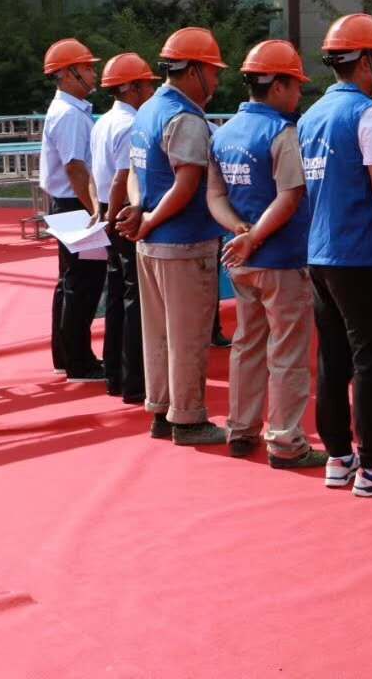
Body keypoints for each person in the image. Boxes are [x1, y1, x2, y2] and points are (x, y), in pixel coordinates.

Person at [298, 13, 372, 495]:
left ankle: (339, 457)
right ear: (366, 62)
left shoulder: (310, 116)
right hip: (364, 257)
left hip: (321, 256)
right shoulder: (367, 115)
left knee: (333, 359)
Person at [207, 40, 328, 470]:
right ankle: (286, 441)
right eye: (295, 85)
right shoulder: (282, 133)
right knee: (288, 352)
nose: (299, 94)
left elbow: (215, 196)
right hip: (281, 260)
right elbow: (290, 196)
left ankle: (241, 428)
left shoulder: (223, 133)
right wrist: (254, 236)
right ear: (277, 85)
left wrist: (239, 233)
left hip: (243, 261)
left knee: (247, 344)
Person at [115, 27, 228, 446]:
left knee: (159, 334)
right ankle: (189, 419)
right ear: (194, 70)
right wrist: (147, 219)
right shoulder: (186, 119)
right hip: (184, 243)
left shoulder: (147, 110)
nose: (217, 80)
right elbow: (186, 183)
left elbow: (135, 170)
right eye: (213, 71)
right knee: (189, 336)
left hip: (151, 244)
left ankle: (162, 410)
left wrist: (139, 211)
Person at [89, 52, 159, 402]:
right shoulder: (132, 124)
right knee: (134, 300)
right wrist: (114, 217)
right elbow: (122, 177)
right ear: (131, 87)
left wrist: (100, 212)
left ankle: (114, 375)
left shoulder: (102, 122)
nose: (151, 91)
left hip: (109, 209)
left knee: (117, 295)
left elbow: (95, 174)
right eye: (146, 85)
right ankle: (135, 382)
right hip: (122, 212)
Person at [40, 37, 107, 382]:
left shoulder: (67, 110)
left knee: (70, 281)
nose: (94, 74)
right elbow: (76, 168)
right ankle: (80, 362)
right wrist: (96, 211)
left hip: (68, 203)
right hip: (76, 204)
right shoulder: (70, 115)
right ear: (68, 74)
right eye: (87, 68)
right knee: (84, 283)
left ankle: (66, 356)